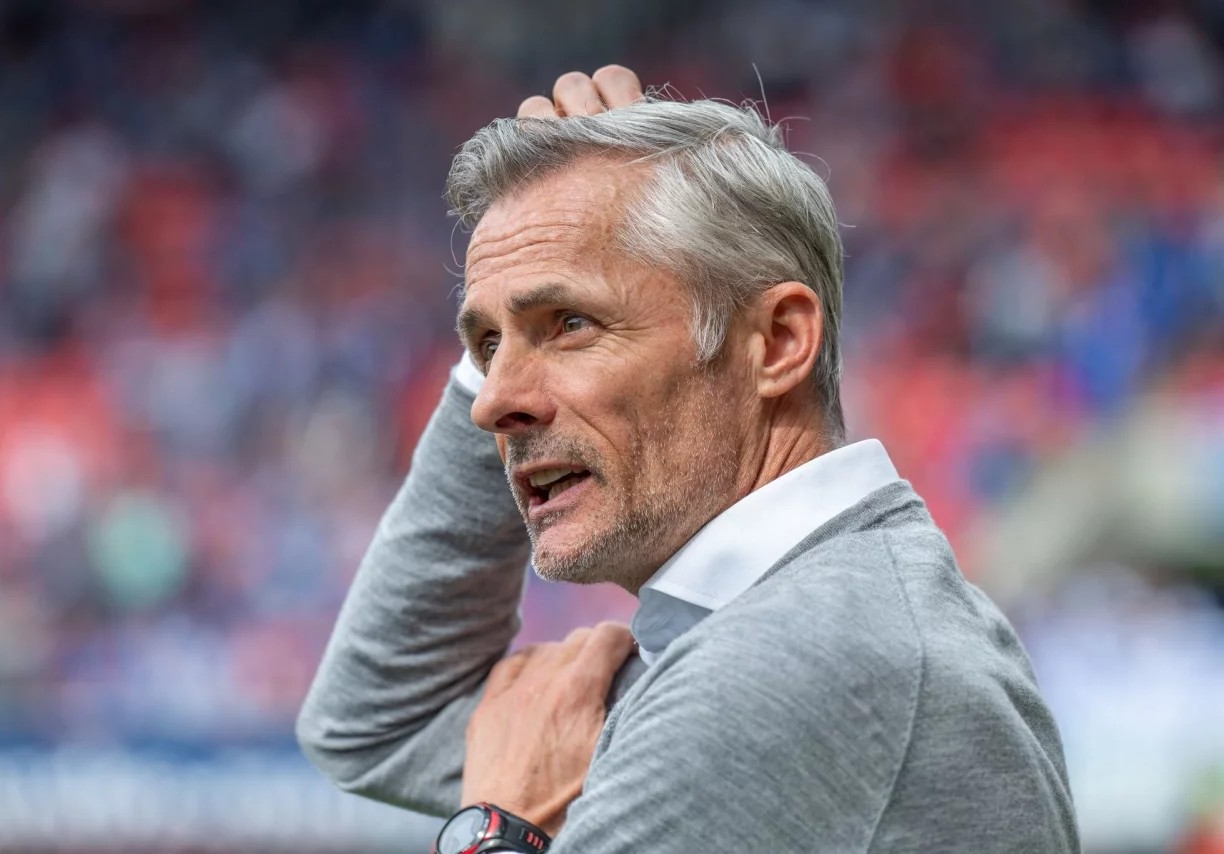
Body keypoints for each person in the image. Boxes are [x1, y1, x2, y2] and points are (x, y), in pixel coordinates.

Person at [297, 65, 1080, 853]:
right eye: (487, 345)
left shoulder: (784, 669)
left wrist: (498, 829)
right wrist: (526, 275)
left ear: (777, 343)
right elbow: (377, 723)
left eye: (570, 323)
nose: (489, 405)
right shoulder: (801, 618)